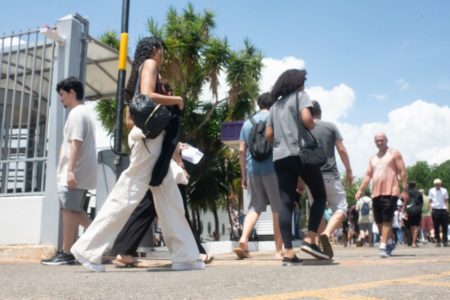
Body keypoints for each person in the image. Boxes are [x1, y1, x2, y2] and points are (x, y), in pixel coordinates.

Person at [70, 36, 204, 272]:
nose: (162, 55)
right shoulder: (150, 65)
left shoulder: (142, 67)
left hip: (153, 143)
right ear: (154, 49)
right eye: (162, 50)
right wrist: (177, 99)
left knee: (170, 200)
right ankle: (87, 250)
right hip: (150, 144)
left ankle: (186, 256)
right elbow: (147, 95)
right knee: (126, 194)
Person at [110, 143, 213, 268]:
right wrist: (180, 162)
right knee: (178, 211)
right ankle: (196, 252)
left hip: (151, 166)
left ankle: (124, 251)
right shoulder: (162, 125)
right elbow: (170, 141)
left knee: (145, 210)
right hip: (165, 169)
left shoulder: (142, 127)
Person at [265, 69, 329, 266]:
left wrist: (283, 139)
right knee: (319, 196)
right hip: (301, 154)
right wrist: (305, 129)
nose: (305, 84)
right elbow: (307, 120)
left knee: (285, 202)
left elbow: (268, 135)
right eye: (304, 81)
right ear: (297, 82)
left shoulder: (275, 106)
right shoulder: (301, 96)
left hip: (280, 157)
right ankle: (310, 239)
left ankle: (289, 252)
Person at [41, 77, 96, 266]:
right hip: (77, 171)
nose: (61, 99)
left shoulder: (77, 113)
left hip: (74, 171)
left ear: (72, 92)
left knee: (69, 210)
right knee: (72, 210)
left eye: (62, 95)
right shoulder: (82, 113)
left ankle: (66, 252)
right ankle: (100, 237)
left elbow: (76, 142)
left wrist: (70, 171)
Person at [234, 93, 283, 260]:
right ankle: (278, 250)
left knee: (255, 207)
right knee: (278, 208)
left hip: (253, 170)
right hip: (273, 168)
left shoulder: (248, 123)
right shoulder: (275, 119)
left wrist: (244, 176)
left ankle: (243, 239)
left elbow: (241, 151)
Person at [308, 100, 353, 258]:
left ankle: (319, 248)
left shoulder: (304, 128)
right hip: (330, 175)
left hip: (311, 177)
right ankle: (326, 233)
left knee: (317, 211)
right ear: (320, 111)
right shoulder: (330, 126)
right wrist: (348, 170)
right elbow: (342, 149)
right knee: (341, 208)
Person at [355, 132, 409, 258]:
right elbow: (368, 175)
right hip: (375, 193)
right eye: (377, 141)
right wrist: (360, 190)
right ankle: (389, 241)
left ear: (386, 140)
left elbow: (402, 171)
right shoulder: (373, 158)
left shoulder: (394, 153)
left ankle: (383, 245)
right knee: (378, 221)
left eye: (381, 140)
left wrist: (404, 189)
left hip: (391, 191)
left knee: (387, 219)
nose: (379, 142)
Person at [428, 178, 449, 247]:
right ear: (434, 184)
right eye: (436, 184)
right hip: (435, 209)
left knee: (444, 226)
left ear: (441, 184)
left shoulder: (444, 190)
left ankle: (445, 241)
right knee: (436, 227)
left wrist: (447, 209)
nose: (437, 185)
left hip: (443, 209)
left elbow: (446, 200)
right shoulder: (431, 190)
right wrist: (431, 210)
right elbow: (430, 201)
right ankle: (438, 241)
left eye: (439, 184)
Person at [405, 181, 423, 247]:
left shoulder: (407, 193)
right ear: (415, 186)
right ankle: (414, 242)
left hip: (409, 211)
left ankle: (412, 240)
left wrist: (405, 210)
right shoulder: (419, 193)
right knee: (416, 227)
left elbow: (404, 202)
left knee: (412, 226)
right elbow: (421, 202)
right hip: (417, 211)